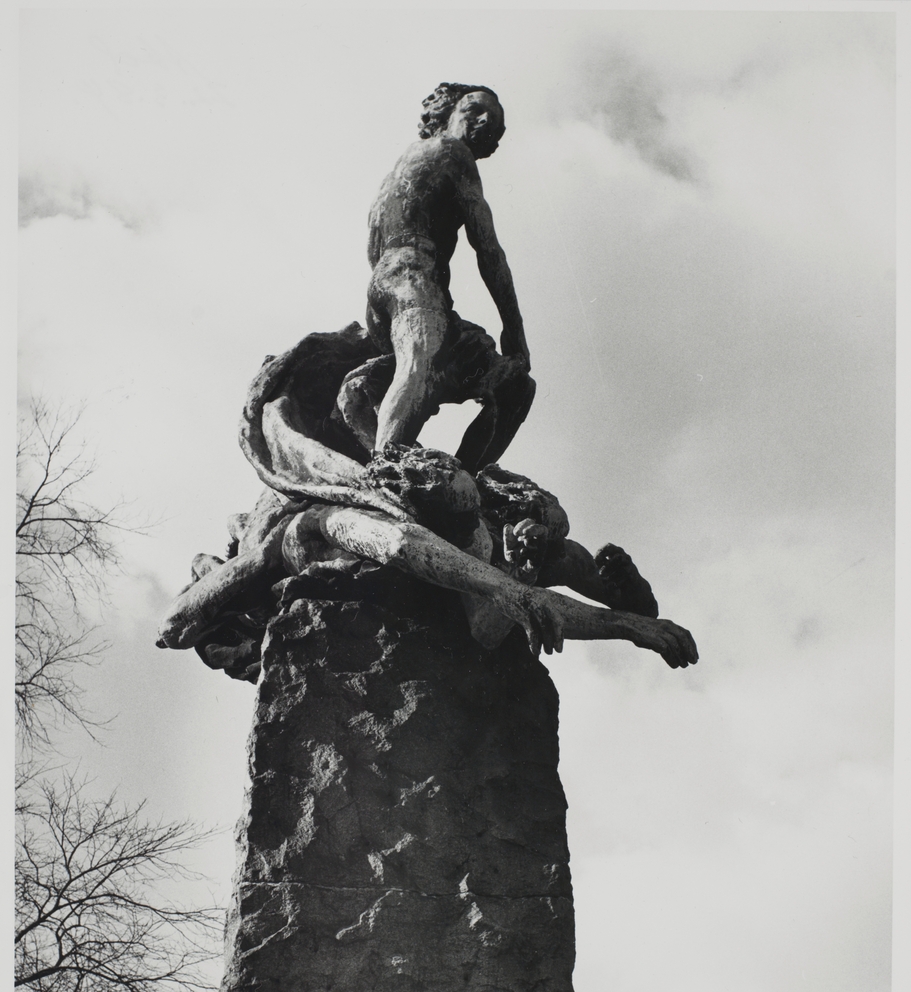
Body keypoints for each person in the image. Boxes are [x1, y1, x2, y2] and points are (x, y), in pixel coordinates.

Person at [156, 446, 697, 670]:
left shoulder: (475, 510)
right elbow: (403, 548)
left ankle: (625, 592)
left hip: (469, 552)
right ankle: (627, 605)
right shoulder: (331, 524)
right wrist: (510, 589)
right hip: (355, 568)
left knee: (563, 555)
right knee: (507, 587)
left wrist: (532, 531)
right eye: (463, 522)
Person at [336, 83, 535, 473]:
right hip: (415, 279)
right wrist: (516, 331)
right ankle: (389, 474)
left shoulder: (399, 168)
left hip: (390, 290)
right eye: (476, 109)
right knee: (420, 366)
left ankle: (459, 480)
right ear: (445, 111)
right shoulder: (453, 152)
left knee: (514, 388)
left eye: (492, 122)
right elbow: (488, 249)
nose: (484, 121)